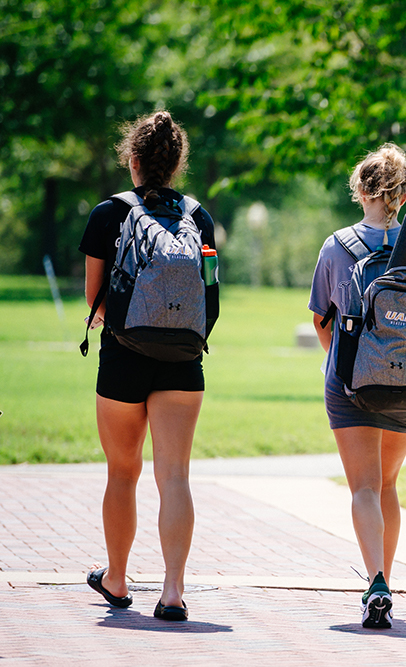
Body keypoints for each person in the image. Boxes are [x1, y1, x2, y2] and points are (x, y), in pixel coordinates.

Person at [80, 111, 218, 622]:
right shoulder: (198, 216)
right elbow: (208, 291)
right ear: (177, 164)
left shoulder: (108, 213)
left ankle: (116, 580)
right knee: (175, 475)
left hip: (123, 355)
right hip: (183, 360)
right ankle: (174, 591)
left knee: (123, 471)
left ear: (132, 160)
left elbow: (94, 301)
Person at [308, 143, 406, 629]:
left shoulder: (337, 246)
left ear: (361, 190)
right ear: (403, 195)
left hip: (350, 386)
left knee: (363, 487)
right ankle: (385, 576)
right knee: (388, 483)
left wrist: (346, 366)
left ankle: (376, 581)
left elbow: (320, 318)